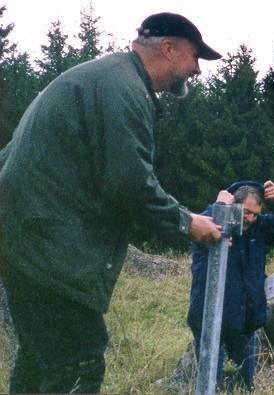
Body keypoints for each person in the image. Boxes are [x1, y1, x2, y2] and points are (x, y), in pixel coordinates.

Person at [0, 13, 223, 393]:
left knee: (42, 360)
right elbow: (128, 183)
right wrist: (188, 222)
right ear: (168, 48)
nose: (197, 70)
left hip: (27, 239)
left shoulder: (109, 77)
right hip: (50, 248)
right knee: (79, 362)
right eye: (194, 57)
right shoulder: (123, 88)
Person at [187, 180, 274, 390]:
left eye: (255, 214)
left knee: (245, 386)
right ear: (233, 204)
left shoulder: (259, 228)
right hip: (211, 322)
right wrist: (219, 208)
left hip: (245, 324)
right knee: (210, 386)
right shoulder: (211, 222)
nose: (250, 218)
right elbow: (194, 225)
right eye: (246, 211)